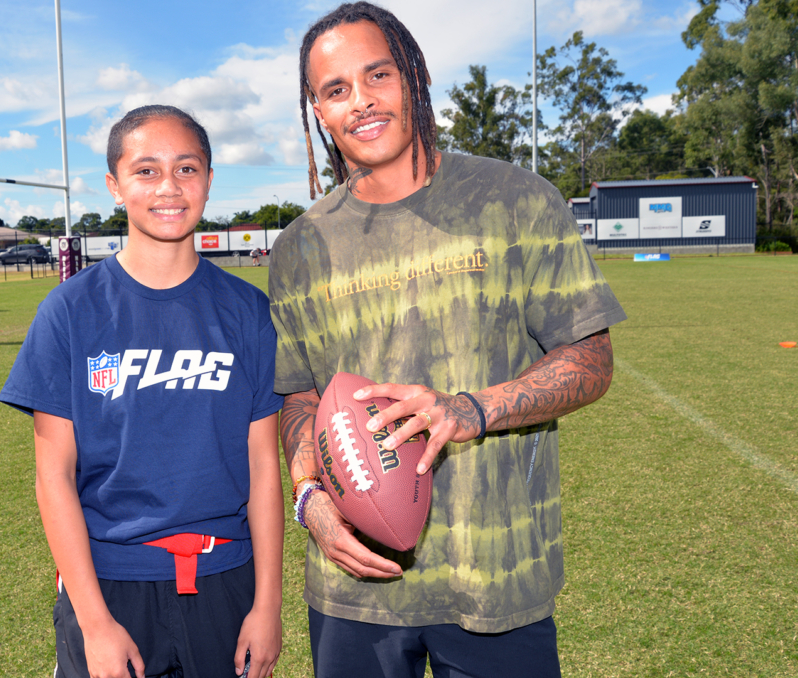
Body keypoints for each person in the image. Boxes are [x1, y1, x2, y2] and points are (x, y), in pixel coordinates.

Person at [268, 4, 628, 677]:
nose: (361, 102)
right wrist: (309, 498)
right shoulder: (300, 247)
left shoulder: (516, 200)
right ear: (317, 110)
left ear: (414, 75)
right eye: (335, 89)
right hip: (355, 589)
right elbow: (299, 396)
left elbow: (591, 359)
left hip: (497, 576)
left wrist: (471, 409)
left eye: (378, 75)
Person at [0, 105, 283, 678]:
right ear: (115, 185)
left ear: (207, 179)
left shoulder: (247, 311)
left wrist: (268, 604)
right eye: (147, 171)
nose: (169, 188)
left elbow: (262, 467)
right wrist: (95, 623)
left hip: (225, 582)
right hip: (112, 589)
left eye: (187, 168)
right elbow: (53, 475)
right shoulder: (71, 311)